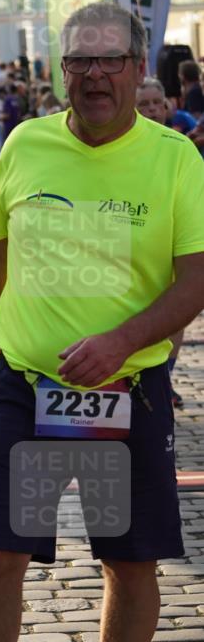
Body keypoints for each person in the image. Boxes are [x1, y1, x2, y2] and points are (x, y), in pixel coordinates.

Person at [0, 3, 204, 642]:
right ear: (60, 71)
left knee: (127, 563)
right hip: (26, 394)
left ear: (135, 68)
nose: (93, 74)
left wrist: (121, 343)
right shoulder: (24, 143)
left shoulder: (174, 159)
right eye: (78, 61)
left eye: (109, 60)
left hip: (128, 397)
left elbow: (194, 279)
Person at [136, 77, 192, 409]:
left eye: (157, 103)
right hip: (137, 245)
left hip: (174, 241)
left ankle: (164, 379)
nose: (153, 109)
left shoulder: (179, 143)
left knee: (176, 313)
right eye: (144, 104)